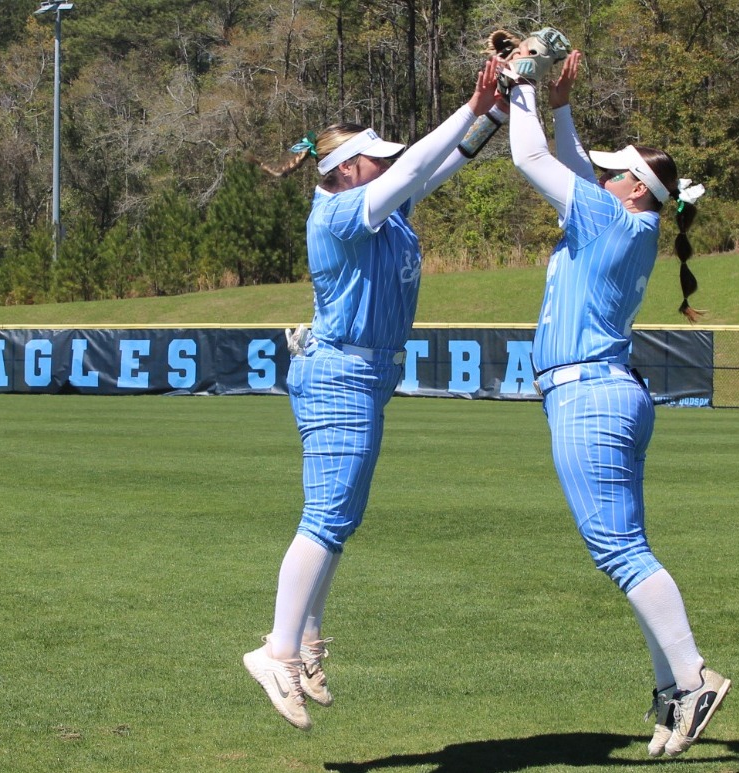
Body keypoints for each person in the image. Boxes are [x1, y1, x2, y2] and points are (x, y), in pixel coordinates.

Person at [242, 57, 503, 731]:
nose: (387, 164)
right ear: (347, 168)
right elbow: (415, 168)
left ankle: (303, 639)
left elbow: (448, 161)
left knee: (338, 518)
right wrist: (471, 105)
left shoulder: (382, 209)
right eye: (376, 159)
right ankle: (276, 650)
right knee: (327, 518)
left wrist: (502, 107)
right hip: (340, 373)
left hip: (362, 376)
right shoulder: (338, 213)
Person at [505, 48, 723, 758]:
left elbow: (530, 157)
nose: (599, 178)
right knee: (629, 550)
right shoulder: (627, 218)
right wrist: (561, 105)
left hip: (588, 394)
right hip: (609, 391)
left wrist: (520, 84)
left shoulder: (609, 217)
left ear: (632, 189)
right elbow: (572, 169)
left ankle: (693, 677)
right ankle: (672, 690)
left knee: (619, 550)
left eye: (612, 173)